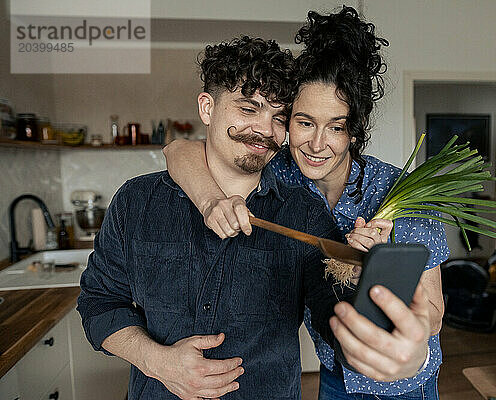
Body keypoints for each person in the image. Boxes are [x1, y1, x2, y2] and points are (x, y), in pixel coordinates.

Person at [78, 35, 432, 400]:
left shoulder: (304, 213)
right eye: (248, 109)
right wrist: (156, 361)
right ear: (207, 108)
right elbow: (98, 302)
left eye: (279, 117)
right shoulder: (137, 201)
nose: (265, 130)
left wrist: (397, 347)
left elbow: (336, 315)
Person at [164, 7, 449, 400]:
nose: (317, 145)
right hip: (334, 376)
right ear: (285, 122)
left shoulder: (399, 192)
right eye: (304, 122)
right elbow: (179, 150)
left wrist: (383, 277)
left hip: (406, 384)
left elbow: (433, 313)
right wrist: (211, 199)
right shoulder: (280, 173)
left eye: (336, 127)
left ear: (354, 132)